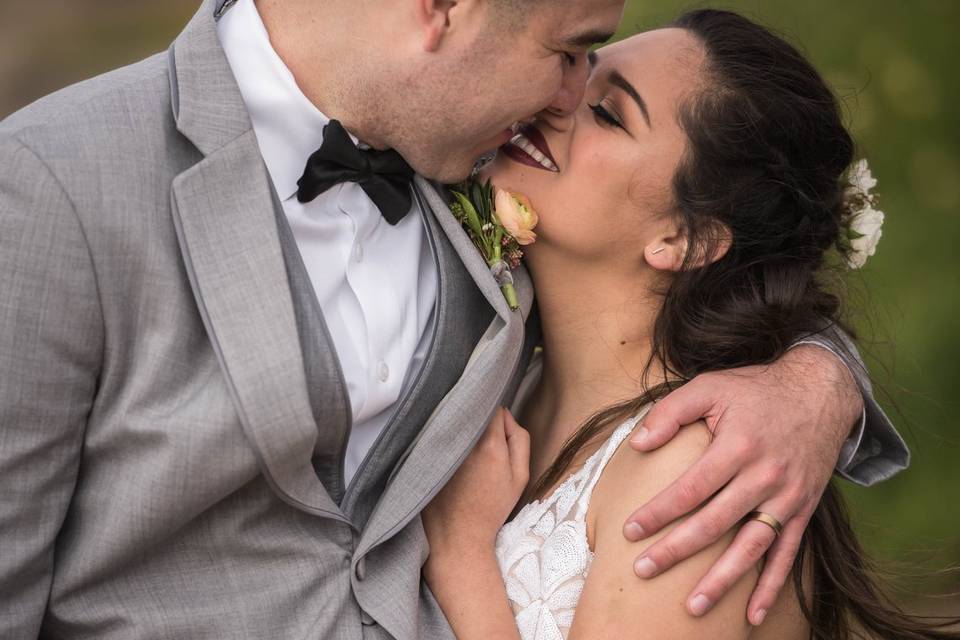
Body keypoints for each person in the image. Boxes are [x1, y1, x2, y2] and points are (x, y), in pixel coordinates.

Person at [0, 1, 905, 638]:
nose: (562, 99)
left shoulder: (472, 160)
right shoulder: (54, 186)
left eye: (601, 99)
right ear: (443, 10)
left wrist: (815, 384)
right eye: (569, 56)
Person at [421, 9, 955, 640]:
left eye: (608, 113)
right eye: (580, 67)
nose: (557, 99)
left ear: (686, 238)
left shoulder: (699, 476)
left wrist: (460, 555)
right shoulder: (513, 371)